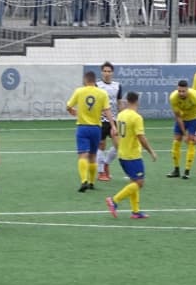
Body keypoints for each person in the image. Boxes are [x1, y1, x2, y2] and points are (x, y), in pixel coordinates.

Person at [105, 91, 157, 220]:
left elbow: (116, 133)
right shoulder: (136, 117)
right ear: (137, 101)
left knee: (134, 182)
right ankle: (114, 200)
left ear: (127, 101)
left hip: (122, 154)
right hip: (132, 156)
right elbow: (141, 137)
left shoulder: (121, 114)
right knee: (139, 182)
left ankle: (135, 212)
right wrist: (151, 151)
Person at [67, 70, 116, 192]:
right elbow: (107, 110)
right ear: (95, 81)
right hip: (96, 128)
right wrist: (113, 125)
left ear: (85, 80)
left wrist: (72, 111)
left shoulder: (79, 91)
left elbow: (68, 106)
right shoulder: (102, 93)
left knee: (82, 155)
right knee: (93, 156)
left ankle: (83, 180)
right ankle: (92, 182)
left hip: (82, 128)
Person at [166, 79, 196, 179]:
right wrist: (184, 134)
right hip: (181, 119)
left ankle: (187, 171)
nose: (181, 93)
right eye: (179, 91)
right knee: (176, 142)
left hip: (193, 119)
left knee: (191, 141)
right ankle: (176, 169)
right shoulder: (173, 98)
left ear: (188, 90)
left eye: (183, 91)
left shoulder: (195, 97)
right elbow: (177, 116)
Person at [96, 61, 123, 181]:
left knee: (119, 145)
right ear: (102, 72)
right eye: (105, 71)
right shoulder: (97, 86)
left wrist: (122, 116)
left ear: (112, 73)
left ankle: (106, 163)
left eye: (109, 71)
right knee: (101, 145)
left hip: (115, 119)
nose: (107, 73)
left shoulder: (117, 86)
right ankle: (101, 172)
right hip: (101, 120)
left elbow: (119, 102)